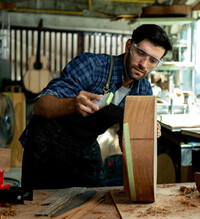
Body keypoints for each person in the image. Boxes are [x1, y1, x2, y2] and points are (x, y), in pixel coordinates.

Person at [19, 24, 173, 189]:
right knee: (38, 204)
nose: (143, 64)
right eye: (141, 53)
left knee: (97, 197)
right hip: (47, 144)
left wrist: (143, 134)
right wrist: (72, 104)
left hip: (85, 146)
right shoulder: (93, 66)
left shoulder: (143, 91)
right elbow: (40, 106)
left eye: (152, 60)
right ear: (129, 46)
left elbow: (126, 142)